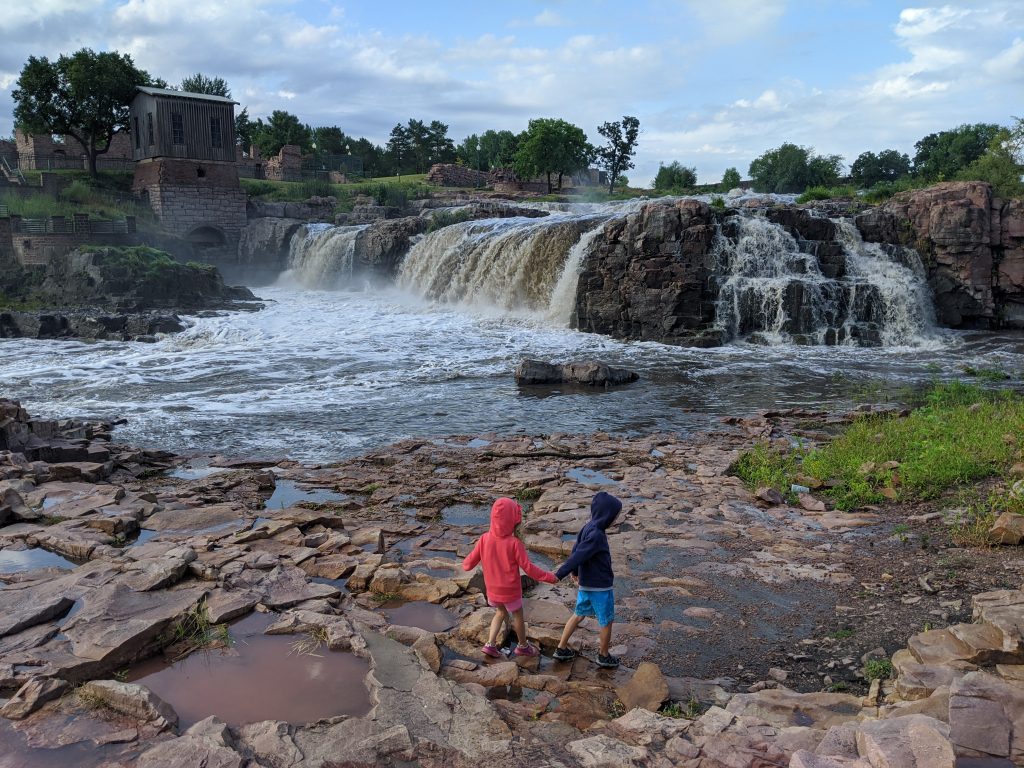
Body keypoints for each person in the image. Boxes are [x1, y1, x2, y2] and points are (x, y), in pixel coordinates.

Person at [462, 496, 557, 658]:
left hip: (492, 590)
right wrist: (550, 577)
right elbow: (529, 568)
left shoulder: (484, 539)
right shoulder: (514, 543)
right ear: (513, 521)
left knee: (500, 613)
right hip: (511, 591)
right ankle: (523, 646)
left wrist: (465, 565)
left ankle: (490, 644)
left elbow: (469, 562)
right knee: (518, 616)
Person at [552, 491, 623, 668]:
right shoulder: (597, 535)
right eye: (615, 516)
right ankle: (603, 655)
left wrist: (575, 571)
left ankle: (561, 648)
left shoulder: (588, 527)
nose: (615, 519)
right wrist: (560, 573)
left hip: (586, 584)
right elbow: (579, 555)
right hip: (600, 587)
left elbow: (577, 550)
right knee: (606, 621)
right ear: (607, 515)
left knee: (578, 615)